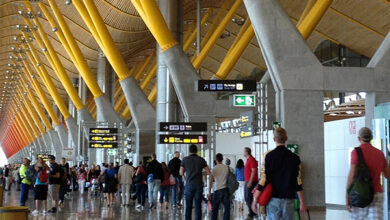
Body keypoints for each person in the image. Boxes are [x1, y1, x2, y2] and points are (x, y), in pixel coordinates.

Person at [251, 127, 308, 219]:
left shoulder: (269, 157)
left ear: (274, 139)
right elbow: (298, 181)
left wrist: (255, 199)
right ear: (286, 139)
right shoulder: (295, 158)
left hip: (273, 199)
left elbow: (264, 180)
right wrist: (302, 202)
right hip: (289, 199)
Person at [346, 127, 390, 219]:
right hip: (377, 194)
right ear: (371, 138)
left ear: (359, 138)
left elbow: (352, 175)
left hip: (359, 193)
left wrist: (347, 197)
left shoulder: (355, 152)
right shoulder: (379, 153)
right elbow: (388, 175)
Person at [180, 144, 211, 220]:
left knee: (188, 206)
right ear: (196, 151)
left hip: (189, 185)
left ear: (189, 151)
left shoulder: (185, 159)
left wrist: (186, 175)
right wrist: (201, 173)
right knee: (198, 206)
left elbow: (181, 172)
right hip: (199, 185)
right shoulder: (201, 159)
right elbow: (208, 172)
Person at [209, 153, 230, 220]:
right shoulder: (226, 167)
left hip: (217, 190)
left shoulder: (214, 169)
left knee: (214, 209)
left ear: (216, 160)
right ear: (222, 159)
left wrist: (209, 192)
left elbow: (211, 181)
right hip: (225, 190)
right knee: (227, 209)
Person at [244, 147, 258, 219]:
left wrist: (250, 182)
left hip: (251, 182)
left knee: (248, 198)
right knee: (247, 198)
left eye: (244, 151)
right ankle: (252, 212)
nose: (243, 153)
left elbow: (254, 171)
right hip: (247, 181)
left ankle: (252, 213)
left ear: (247, 152)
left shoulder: (252, 160)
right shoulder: (248, 160)